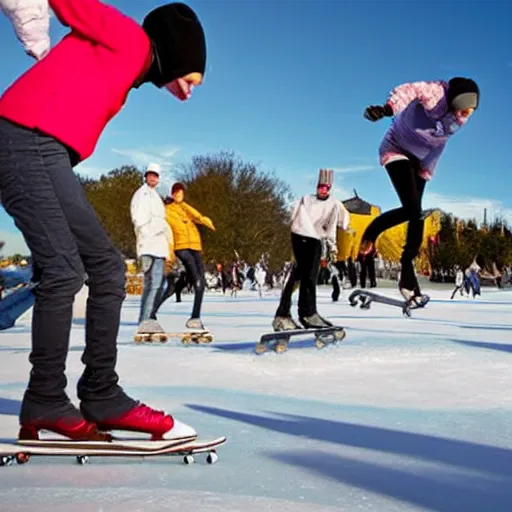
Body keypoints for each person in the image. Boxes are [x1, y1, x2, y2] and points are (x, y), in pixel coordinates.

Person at [0, 0, 207, 441]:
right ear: (177, 52)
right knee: (63, 270)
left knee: (108, 269)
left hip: (43, 150)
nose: (189, 90)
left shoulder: (131, 66)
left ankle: (100, 393)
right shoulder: (129, 38)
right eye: (190, 77)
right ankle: (46, 398)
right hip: (24, 139)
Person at [360, 77, 480, 303]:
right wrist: (387, 109)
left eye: (471, 111)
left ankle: (407, 276)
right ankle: (373, 231)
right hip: (396, 148)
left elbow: (438, 143)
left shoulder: (457, 119)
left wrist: (427, 170)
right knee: (413, 209)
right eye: (465, 109)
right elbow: (409, 91)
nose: (467, 115)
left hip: (422, 161)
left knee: (418, 215)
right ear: (455, 100)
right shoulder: (436, 93)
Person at [272, 169, 340, 331]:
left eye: (326, 187)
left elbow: (331, 227)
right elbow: (293, 214)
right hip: (301, 236)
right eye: (320, 186)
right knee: (305, 274)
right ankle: (305, 313)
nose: (323, 190)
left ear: (330, 188)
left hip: (315, 239)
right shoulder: (306, 199)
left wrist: (332, 245)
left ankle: (289, 314)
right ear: (316, 186)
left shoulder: (333, 204)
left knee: (303, 276)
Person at [164, 182, 215, 330]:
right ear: (173, 194)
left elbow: (196, 216)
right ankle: (193, 317)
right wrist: (169, 253)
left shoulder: (185, 208)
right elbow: (165, 230)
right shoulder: (167, 210)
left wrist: (206, 221)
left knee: (201, 282)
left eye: (181, 193)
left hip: (194, 246)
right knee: (197, 280)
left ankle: (195, 317)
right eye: (177, 193)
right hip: (182, 247)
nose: (179, 195)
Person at [130, 163, 172, 335]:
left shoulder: (156, 196)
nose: (153, 178)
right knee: (152, 284)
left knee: (156, 284)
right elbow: (139, 220)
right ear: (146, 176)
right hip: (148, 244)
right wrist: (155, 228)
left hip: (159, 246)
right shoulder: (141, 195)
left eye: (155, 175)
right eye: (150, 175)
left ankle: (147, 318)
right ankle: (146, 318)